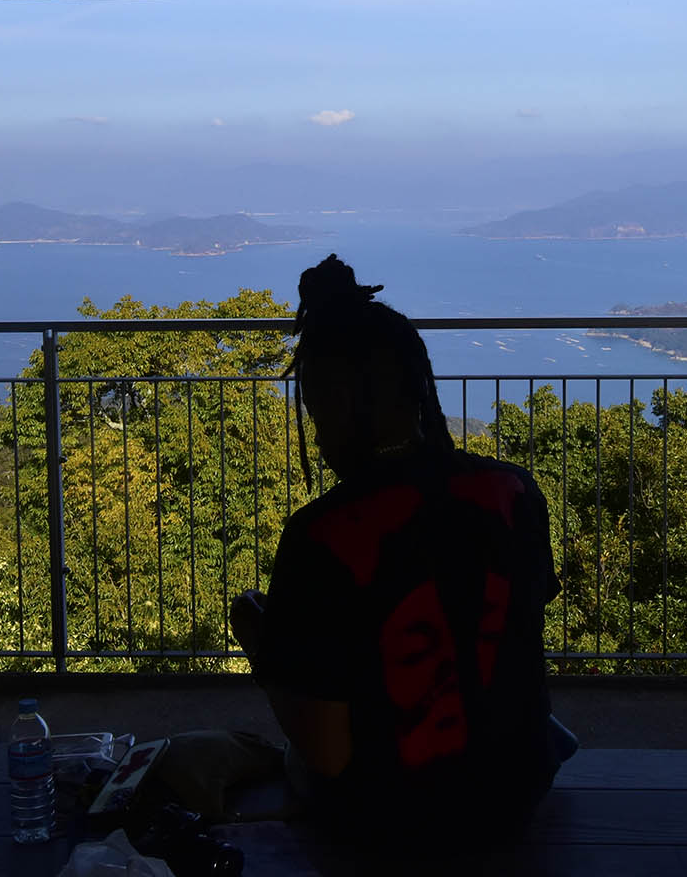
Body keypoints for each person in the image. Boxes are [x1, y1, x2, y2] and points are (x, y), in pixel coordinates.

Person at [229, 254, 572, 845]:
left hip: (394, 818)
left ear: (332, 406)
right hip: (519, 788)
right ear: (417, 390)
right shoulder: (513, 492)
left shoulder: (324, 534)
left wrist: (262, 646)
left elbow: (329, 755)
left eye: (312, 406)